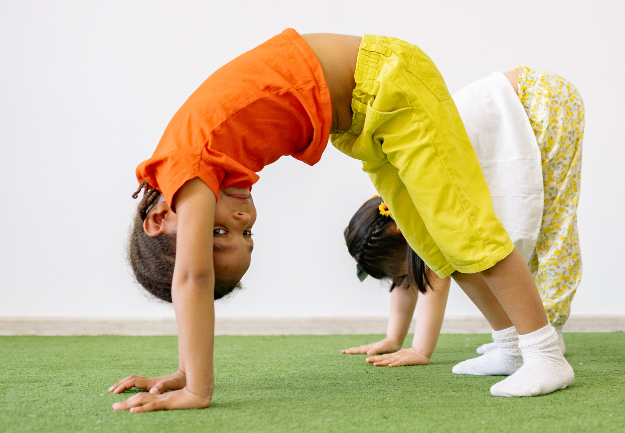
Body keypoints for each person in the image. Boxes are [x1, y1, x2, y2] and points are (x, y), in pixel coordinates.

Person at [112, 32, 571, 412]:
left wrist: (197, 388)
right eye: (246, 233)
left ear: (159, 218)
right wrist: (184, 371)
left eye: (215, 233)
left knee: (465, 228)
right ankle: (511, 345)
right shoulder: (190, 169)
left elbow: (192, 278)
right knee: (434, 241)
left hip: (388, 82)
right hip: (365, 119)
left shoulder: (187, 169)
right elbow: (194, 274)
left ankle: (544, 352)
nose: (241, 217)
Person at [342, 67, 583, 368]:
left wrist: (420, 350)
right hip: (524, 103)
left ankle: (549, 332)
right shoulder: (396, 202)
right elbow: (411, 278)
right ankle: (526, 334)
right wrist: (393, 338)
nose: (412, 278)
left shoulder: (421, 197)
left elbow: (436, 275)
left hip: (543, 102)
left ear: (401, 234)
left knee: (552, 222)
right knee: (531, 223)